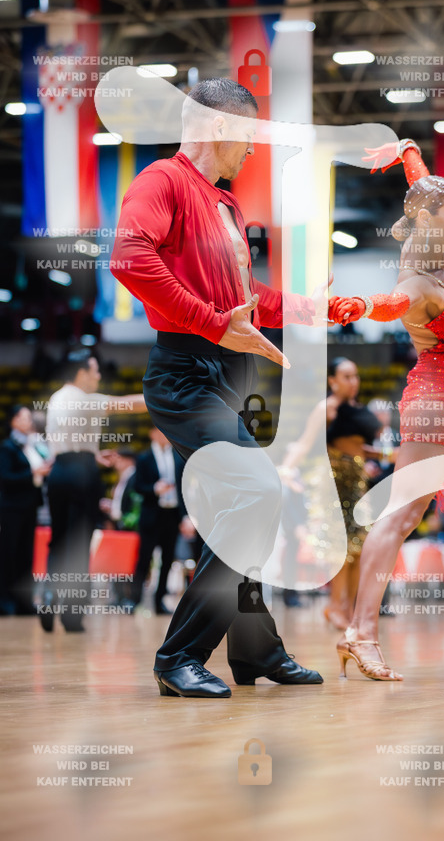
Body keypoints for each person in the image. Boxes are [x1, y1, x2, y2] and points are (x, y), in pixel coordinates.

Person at [111, 76, 326, 697]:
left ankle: (255, 649)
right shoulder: (163, 180)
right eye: (250, 136)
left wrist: (322, 308)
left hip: (230, 375)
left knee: (235, 516)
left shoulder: (225, 203)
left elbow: (245, 301)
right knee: (259, 495)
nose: (253, 150)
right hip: (186, 374)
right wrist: (210, 323)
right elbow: (128, 258)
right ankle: (178, 655)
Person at [328, 138, 444, 679]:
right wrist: (360, 305)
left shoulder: (441, 246)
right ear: (430, 220)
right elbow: (394, 303)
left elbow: (421, 188)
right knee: (403, 515)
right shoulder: (422, 279)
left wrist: (410, 153)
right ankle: (361, 632)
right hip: (437, 405)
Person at [43, 350, 146, 633]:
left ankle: (49, 596)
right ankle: (72, 615)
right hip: (82, 475)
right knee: (80, 541)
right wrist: (165, 399)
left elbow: (69, 442)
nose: (98, 376)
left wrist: (93, 453)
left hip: (59, 472)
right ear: (81, 373)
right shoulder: (85, 399)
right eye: (95, 371)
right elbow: (127, 404)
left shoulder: (55, 399)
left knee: (58, 539)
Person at [280, 358, 381, 630]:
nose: (353, 382)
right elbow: (303, 443)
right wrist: (286, 469)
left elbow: (360, 448)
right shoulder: (326, 408)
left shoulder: (357, 411)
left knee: (359, 549)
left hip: (357, 484)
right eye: (346, 376)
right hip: (333, 484)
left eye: (355, 376)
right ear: (332, 381)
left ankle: (346, 607)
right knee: (342, 549)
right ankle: (335, 605)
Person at [128, 428, 192, 614]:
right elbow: (138, 486)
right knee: (144, 559)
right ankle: (134, 600)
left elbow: (183, 489)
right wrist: (155, 488)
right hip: (151, 515)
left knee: (167, 559)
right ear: (152, 434)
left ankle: (159, 601)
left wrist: (184, 517)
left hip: (171, 515)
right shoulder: (144, 458)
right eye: (161, 431)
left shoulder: (178, 457)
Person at [0, 406, 51, 615]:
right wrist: (33, 473)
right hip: (11, 508)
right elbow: (6, 478)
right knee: (9, 555)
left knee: (26, 556)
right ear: (13, 421)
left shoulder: (31, 446)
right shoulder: (7, 447)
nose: (29, 421)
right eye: (24, 417)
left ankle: (24, 601)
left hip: (30, 507)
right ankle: (5, 601)